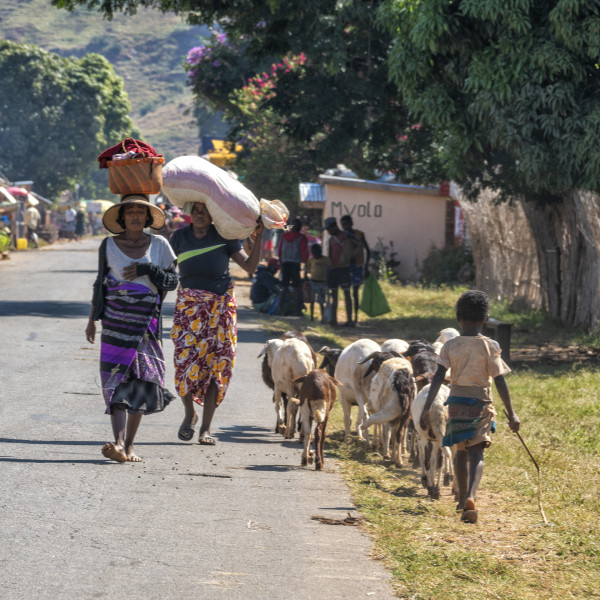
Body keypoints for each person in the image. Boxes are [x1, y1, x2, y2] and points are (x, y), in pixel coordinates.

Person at [85, 194, 178, 463]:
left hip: (146, 324)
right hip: (115, 323)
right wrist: (92, 319)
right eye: (130, 212)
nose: (136, 216)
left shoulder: (160, 245)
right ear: (122, 217)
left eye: (141, 212)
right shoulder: (108, 245)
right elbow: (100, 283)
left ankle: (130, 445)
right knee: (114, 381)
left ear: (148, 217)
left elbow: (172, 282)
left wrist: (147, 268)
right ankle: (118, 443)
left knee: (144, 382)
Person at [420, 290, 520, 524]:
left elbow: (437, 378)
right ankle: (471, 497)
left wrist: (426, 407)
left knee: (460, 452)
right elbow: (500, 380)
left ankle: (460, 499)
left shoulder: (450, 346)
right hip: (481, 404)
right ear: (486, 318)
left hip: (455, 404)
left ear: (458, 318)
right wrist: (512, 413)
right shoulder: (490, 346)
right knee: (477, 453)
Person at [169, 201, 264, 445]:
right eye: (196, 211)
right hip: (188, 310)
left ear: (213, 214)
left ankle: (205, 429)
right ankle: (190, 413)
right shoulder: (179, 237)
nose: (200, 215)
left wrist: (259, 238)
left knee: (214, 368)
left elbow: (250, 267)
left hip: (219, 309)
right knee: (183, 364)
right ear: (189, 214)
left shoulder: (225, 236)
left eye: (205, 211)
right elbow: (166, 271)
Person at [322, 216, 362, 328]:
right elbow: (329, 254)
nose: (328, 231)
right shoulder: (331, 239)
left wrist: (350, 256)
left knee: (347, 294)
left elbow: (359, 245)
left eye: (329, 229)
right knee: (334, 295)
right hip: (333, 270)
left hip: (344, 269)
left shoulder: (347, 236)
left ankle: (349, 320)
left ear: (334, 226)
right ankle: (333, 320)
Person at [340, 214, 370, 325]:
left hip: (357, 266)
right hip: (346, 266)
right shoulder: (342, 236)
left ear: (351, 223)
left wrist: (366, 266)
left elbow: (367, 250)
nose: (345, 226)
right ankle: (349, 319)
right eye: (343, 225)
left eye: (347, 224)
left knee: (355, 293)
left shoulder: (359, 235)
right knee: (347, 293)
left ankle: (355, 318)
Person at [276, 217, 308, 316]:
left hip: (285, 263)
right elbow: (303, 252)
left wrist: (281, 261)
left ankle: (279, 308)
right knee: (297, 287)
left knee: (284, 286)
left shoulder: (284, 236)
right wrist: (305, 261)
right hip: (295, 264)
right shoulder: (302, 238)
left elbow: (279, 251)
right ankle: (296, 310)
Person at [305, 243, 329, 322]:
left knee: (321, 301)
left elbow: (329, 270)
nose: (315, 255)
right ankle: (311, 317)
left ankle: (322, 318)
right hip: (313, 282)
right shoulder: (311, 260)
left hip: (322, 283)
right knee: (312, 300)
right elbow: (307, 269)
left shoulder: (325, 260)